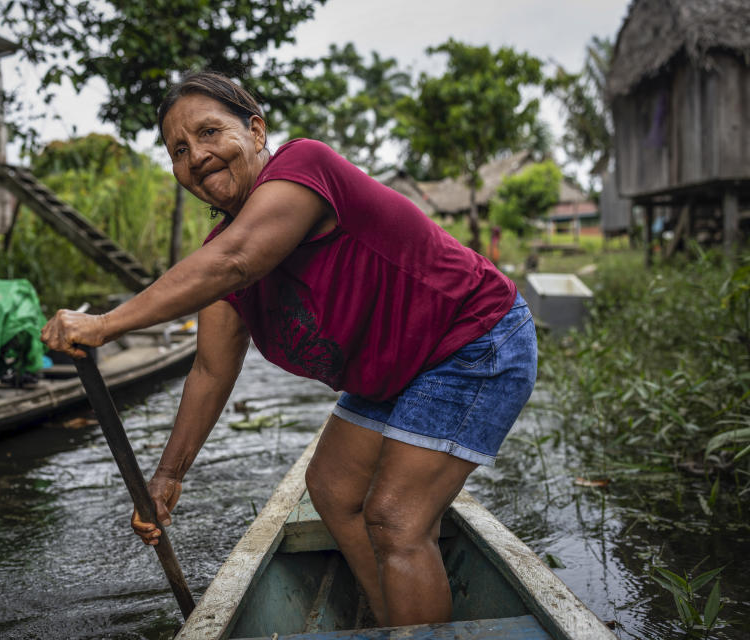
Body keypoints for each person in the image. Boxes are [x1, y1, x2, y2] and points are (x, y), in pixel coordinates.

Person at [40, 71, 537, 627]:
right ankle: (392, 617)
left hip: (471, 340)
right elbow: (208, 370)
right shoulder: (222, 259)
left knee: (396, 519)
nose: (197, 156)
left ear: (256, 131)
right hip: (397, 368)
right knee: (330, 487)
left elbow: (238, 259)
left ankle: (412, 623)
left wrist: (106, 324)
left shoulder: (304, 167)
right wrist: (167, 478)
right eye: (179, 150)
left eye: (209, 133)